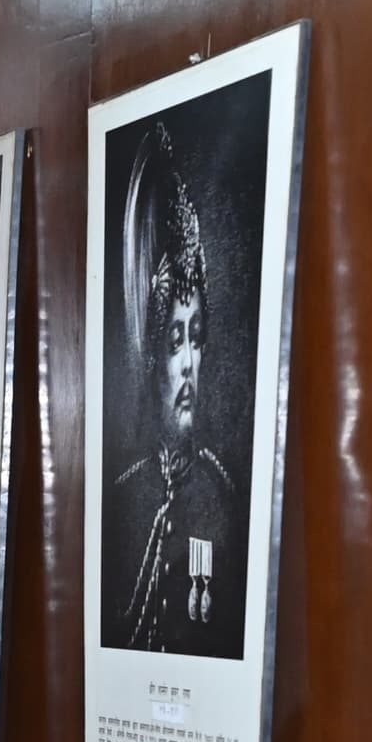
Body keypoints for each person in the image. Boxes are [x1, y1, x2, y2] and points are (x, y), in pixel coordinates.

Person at [108, 154, 235, 651]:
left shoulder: (220, 495)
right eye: (174, 341)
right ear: (150, 359)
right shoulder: (125, 495)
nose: (188, 364)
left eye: (195, 338)